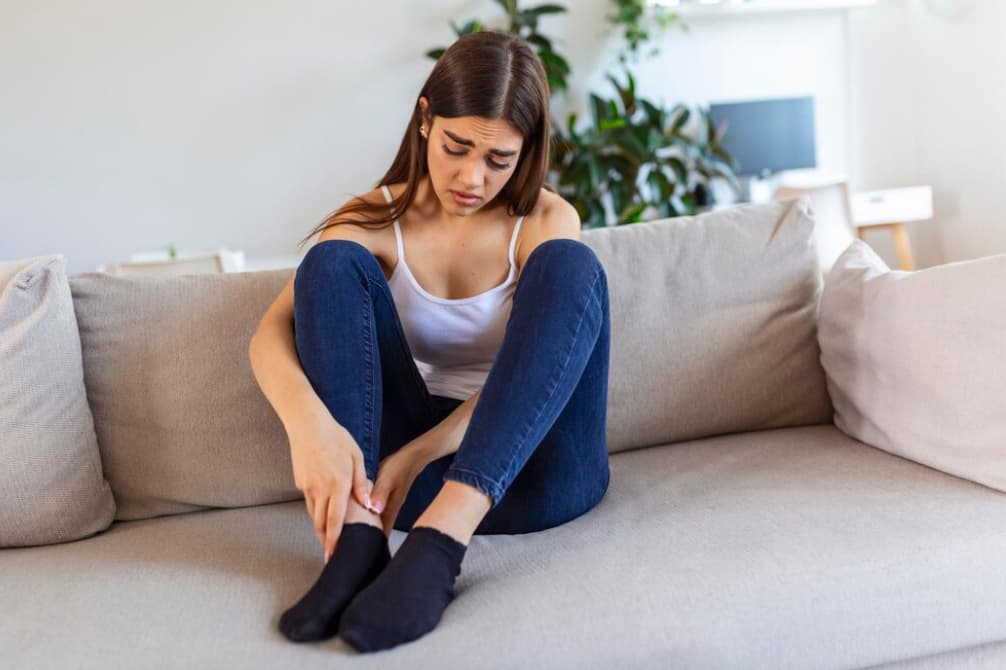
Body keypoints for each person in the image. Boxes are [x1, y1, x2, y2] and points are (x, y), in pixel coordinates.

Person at [247, 30, 611, 654]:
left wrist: (419, 454)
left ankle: (442, 544)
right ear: (425, 120)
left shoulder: (544, 221)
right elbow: (267, 336)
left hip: (539, 472)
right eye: (457, 146)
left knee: (572, 269)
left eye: (500, 159)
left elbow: (542, 372)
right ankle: (357, 543)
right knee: (329, 263)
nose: (472, 177)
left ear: (526, 152)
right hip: (399, 488)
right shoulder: (374, 218)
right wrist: (313, 431)